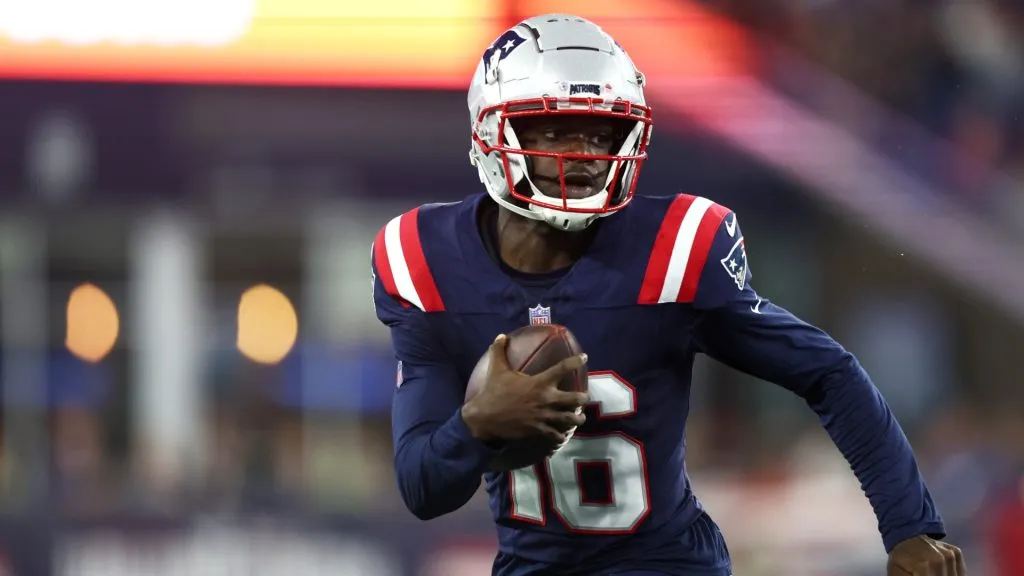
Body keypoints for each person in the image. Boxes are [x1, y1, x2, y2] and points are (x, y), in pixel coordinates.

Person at [371, 13, 965, 576]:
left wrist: (910, 525)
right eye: (552, 130)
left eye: (599, 134)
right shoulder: (426, 261)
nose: (579, 157)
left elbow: (827, 374)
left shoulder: (675, 250)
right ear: (488, 132)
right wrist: (477, 426)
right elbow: (424, 490)